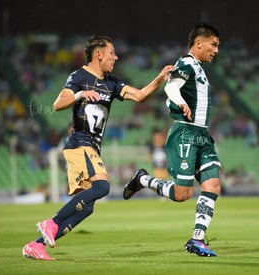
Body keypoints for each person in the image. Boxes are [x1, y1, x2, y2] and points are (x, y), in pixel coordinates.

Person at [22, 35, 174, 260]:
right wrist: (79, 94)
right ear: (98, 54)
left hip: (92, 148)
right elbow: (57, 104)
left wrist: (160, 78)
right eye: (112, 52)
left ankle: (36, 246)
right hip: (79, 143)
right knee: (102, 187)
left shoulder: (112, 83)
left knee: (89, 207)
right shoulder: (78, 76)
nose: (116, 56)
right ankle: (51, 223)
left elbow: (140, 95)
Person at [123, 23, 221, 257]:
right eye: (213, 44)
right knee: (182, 194)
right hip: (185, 133)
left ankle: (197, 239)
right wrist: (181, 102)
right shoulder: (187, 63)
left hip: (202, 135)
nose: (216, 50)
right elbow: (172, 87)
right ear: (198, 43)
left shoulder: (199, 68)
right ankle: (143, 179)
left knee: (213, 185)